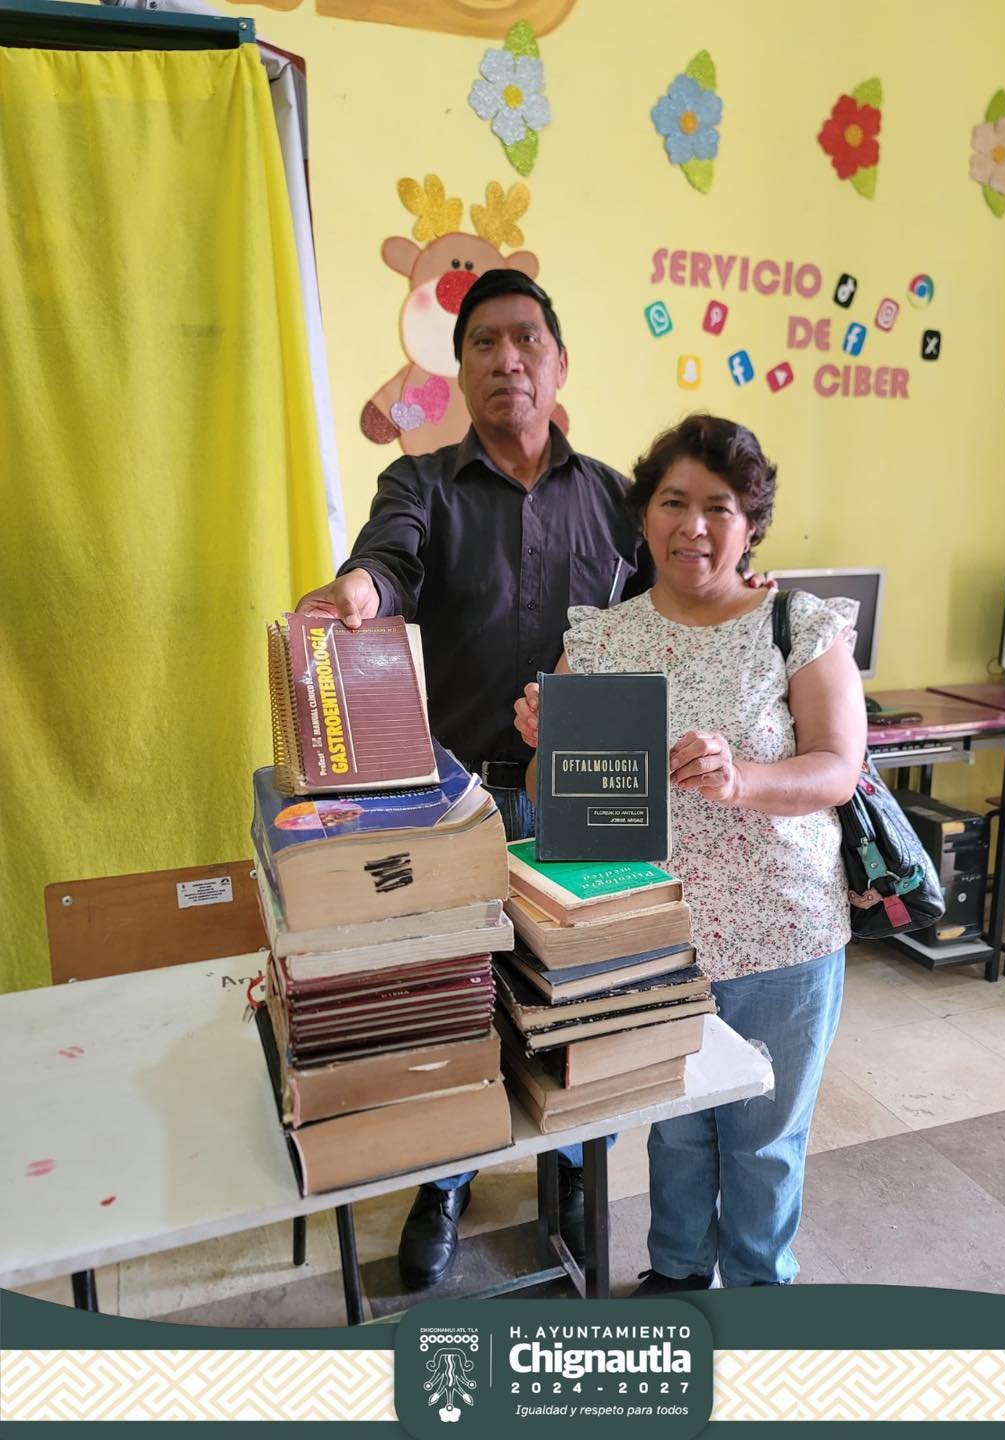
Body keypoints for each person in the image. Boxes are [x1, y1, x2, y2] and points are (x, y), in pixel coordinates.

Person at [295, 268, 653, 1290]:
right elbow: (389, 560)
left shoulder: (614, 498)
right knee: (454, 993)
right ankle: (444, 1178)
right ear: (459, 369)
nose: (507, 360)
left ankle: (575, 1165)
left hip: (586, 784)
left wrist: (733, 585)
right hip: (454, 791)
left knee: (585, 989)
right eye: (485, 343)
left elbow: (659, 608)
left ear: (558, 362)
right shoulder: (421, 483)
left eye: (526, 341)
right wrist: (359, 588)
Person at [513, 414, 866, 1292]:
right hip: (649, 936)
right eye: (674, 501)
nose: (694, 525)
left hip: (785, 930)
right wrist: (539, 742)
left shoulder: (798, 623)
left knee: (765, 1133)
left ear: (752, 524)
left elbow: (836, 767)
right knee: (671, 1120)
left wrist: (742, 780)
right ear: (645, 515)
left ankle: (755, 1287)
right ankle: (675, 1271)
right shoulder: (601, 638)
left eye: (720, 506)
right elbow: (560, 791)